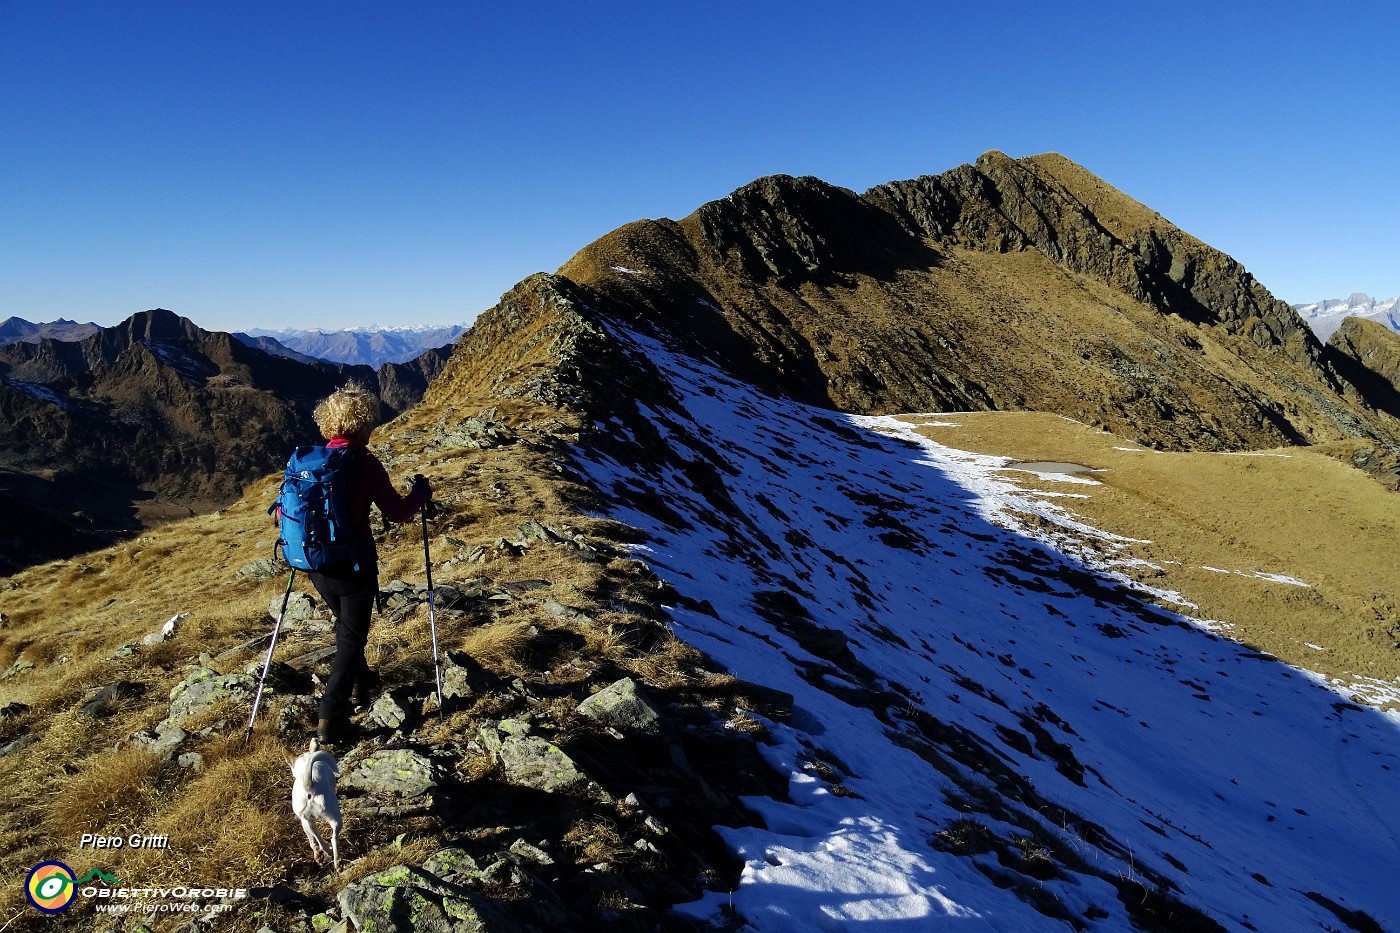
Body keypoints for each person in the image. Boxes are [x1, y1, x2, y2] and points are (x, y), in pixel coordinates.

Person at [305, 384, 430, 746]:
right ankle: (331, 716)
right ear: (364, 424)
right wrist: (421, 494)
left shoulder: (310, 460)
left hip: (317, 566)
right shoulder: (364, 462)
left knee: (346, 629)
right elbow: (397, 511)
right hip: (355, 566)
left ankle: (362, 685)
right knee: (350, 639)